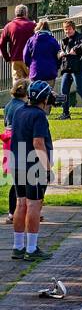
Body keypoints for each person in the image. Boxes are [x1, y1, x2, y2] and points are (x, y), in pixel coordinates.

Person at [11, 80, 54, 261]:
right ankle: (31, 248)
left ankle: (18, 246)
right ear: (44, 99)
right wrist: (47, 168)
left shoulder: (19, 111)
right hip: (33, 166)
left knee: (20, 203)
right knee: (34, 205)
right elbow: (38, 142)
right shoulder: (39, 116)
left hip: (17, 163)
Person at [58, 20, 82, 120]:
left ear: (74, 29)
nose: (67, 31)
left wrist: (76, 49)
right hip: (67, 68)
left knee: (80, 90)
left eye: (69, 29)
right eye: (65, 29)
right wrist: (60, 54)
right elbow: (63, 53)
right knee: (63, 91)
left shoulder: (80, 37)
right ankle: (65, 113)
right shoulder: (64, 40)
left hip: (78, 68)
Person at [1, 80, 21, 222]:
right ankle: (17, 212)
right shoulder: (23, 107)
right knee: (22, 183)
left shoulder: (8, 106)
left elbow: (5, 125)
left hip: (9, 144)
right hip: (19, 144)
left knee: (16, 180)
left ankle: (12, 212)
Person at [0, 4, 36, 84]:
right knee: (32, 83)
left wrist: (7, 58)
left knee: (18, 85)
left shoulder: (8, 26)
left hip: (15, 59)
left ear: (15, 14)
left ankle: (18, 96)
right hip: (30, 60)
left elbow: (2, 44)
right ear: (26, 13)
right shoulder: (33, 26)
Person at [22, 18, 61, 87]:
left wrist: (30, 65)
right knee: (48, 94)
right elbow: (59, 56)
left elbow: (25, 56)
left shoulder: (31, 40)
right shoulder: (53, 41)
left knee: (35, 94)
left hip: (35, 72)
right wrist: (56, 67)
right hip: (50, 72)